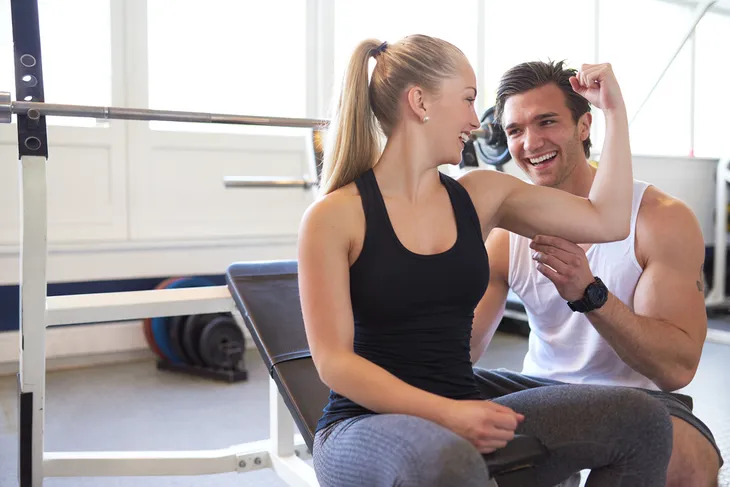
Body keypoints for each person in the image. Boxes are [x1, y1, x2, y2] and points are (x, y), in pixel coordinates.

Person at [297, 35, 672, 487]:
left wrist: (613, 112)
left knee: (643, 421)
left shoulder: (480, 195)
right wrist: (448, 413)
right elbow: (334, 362)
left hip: (463, 404)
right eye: (469, 100)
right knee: (447, 461)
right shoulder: (334, 217)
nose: (476, 122)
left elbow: (609, 219)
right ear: (420, 101)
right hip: (362, 425)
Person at [470, 59, 724, 486]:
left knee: (690, 462)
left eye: (546, 122)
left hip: (643, 402)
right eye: (515, 131)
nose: (530, 143)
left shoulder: (659, 220)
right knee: (436, 395)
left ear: (584, 127)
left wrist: (590, 294)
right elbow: (462, 352)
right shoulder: (505, 233)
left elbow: (675, 370)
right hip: (540, 393)